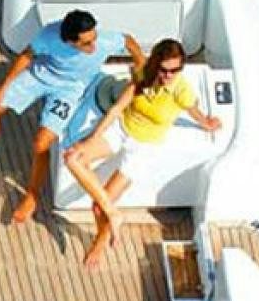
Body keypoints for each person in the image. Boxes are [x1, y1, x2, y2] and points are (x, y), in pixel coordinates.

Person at [0, 10, 140, 223]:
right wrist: (3, 87)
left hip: (70, 89)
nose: (93, 47)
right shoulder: (50, 36)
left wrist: (142, 63)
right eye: (86, 43)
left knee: (42, 142)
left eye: (94, 38)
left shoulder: (104, 41)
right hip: (41, 76)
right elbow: (27, 55)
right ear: (69, 41)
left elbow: (128, 41)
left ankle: (32, 194)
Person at [62, 38, 221, 266]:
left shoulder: (182, 91)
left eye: (175, 70)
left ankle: (101, 239)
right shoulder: (144, 74)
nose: (168, 75)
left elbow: (194, 111)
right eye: (164, 70)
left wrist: (207, 123)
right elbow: (117, 108)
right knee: (72, 157)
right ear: (156, 64)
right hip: (122, 129)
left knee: (98, 207)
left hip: (143, 147)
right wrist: (92, 138)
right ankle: (115, 215)